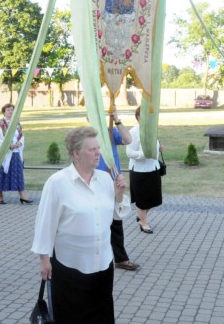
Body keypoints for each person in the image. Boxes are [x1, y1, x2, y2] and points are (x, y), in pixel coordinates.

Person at [32, 127, 130, 323]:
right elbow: (45, 223)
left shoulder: (104, 178)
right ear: (76, 153)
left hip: (102, 265)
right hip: (70, 268)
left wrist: (119, 195)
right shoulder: (57, 183)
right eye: (92, 149)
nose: (98, 153)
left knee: (101, 317)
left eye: (98, 148)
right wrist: (44, 259)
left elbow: (117, 215)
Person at [95, 109, 139, 271]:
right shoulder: (88, 134)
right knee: (95, 221)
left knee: (116, 221)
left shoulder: (111, 131)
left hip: (113, 182)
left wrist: (117, 120)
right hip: (93, 182)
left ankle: (120, 259)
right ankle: (96, 258)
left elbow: (128, 139)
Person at [126, 106, 163, 234]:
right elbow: (129, 152)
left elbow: (154, 146)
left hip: (153, 168)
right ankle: (144, 223)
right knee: (142, 200)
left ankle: (140, 216)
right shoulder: (133, 132)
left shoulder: (152, 130)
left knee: (154, 199)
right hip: (139, 170)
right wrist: (144, 154)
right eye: (145, 115)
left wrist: (158, 148)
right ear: (138, 117)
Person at [0, 103, 32, 204]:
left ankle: (23, 196)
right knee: (1, 175)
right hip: (3, 154)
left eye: (12, 110)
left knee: (18, 174)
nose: (10, 112)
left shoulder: (16, 123)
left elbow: (21, 136)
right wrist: (8, 145)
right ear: (4, 112)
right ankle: (0, 196)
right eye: (8, 110)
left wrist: (19, 143)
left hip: (15, 153)